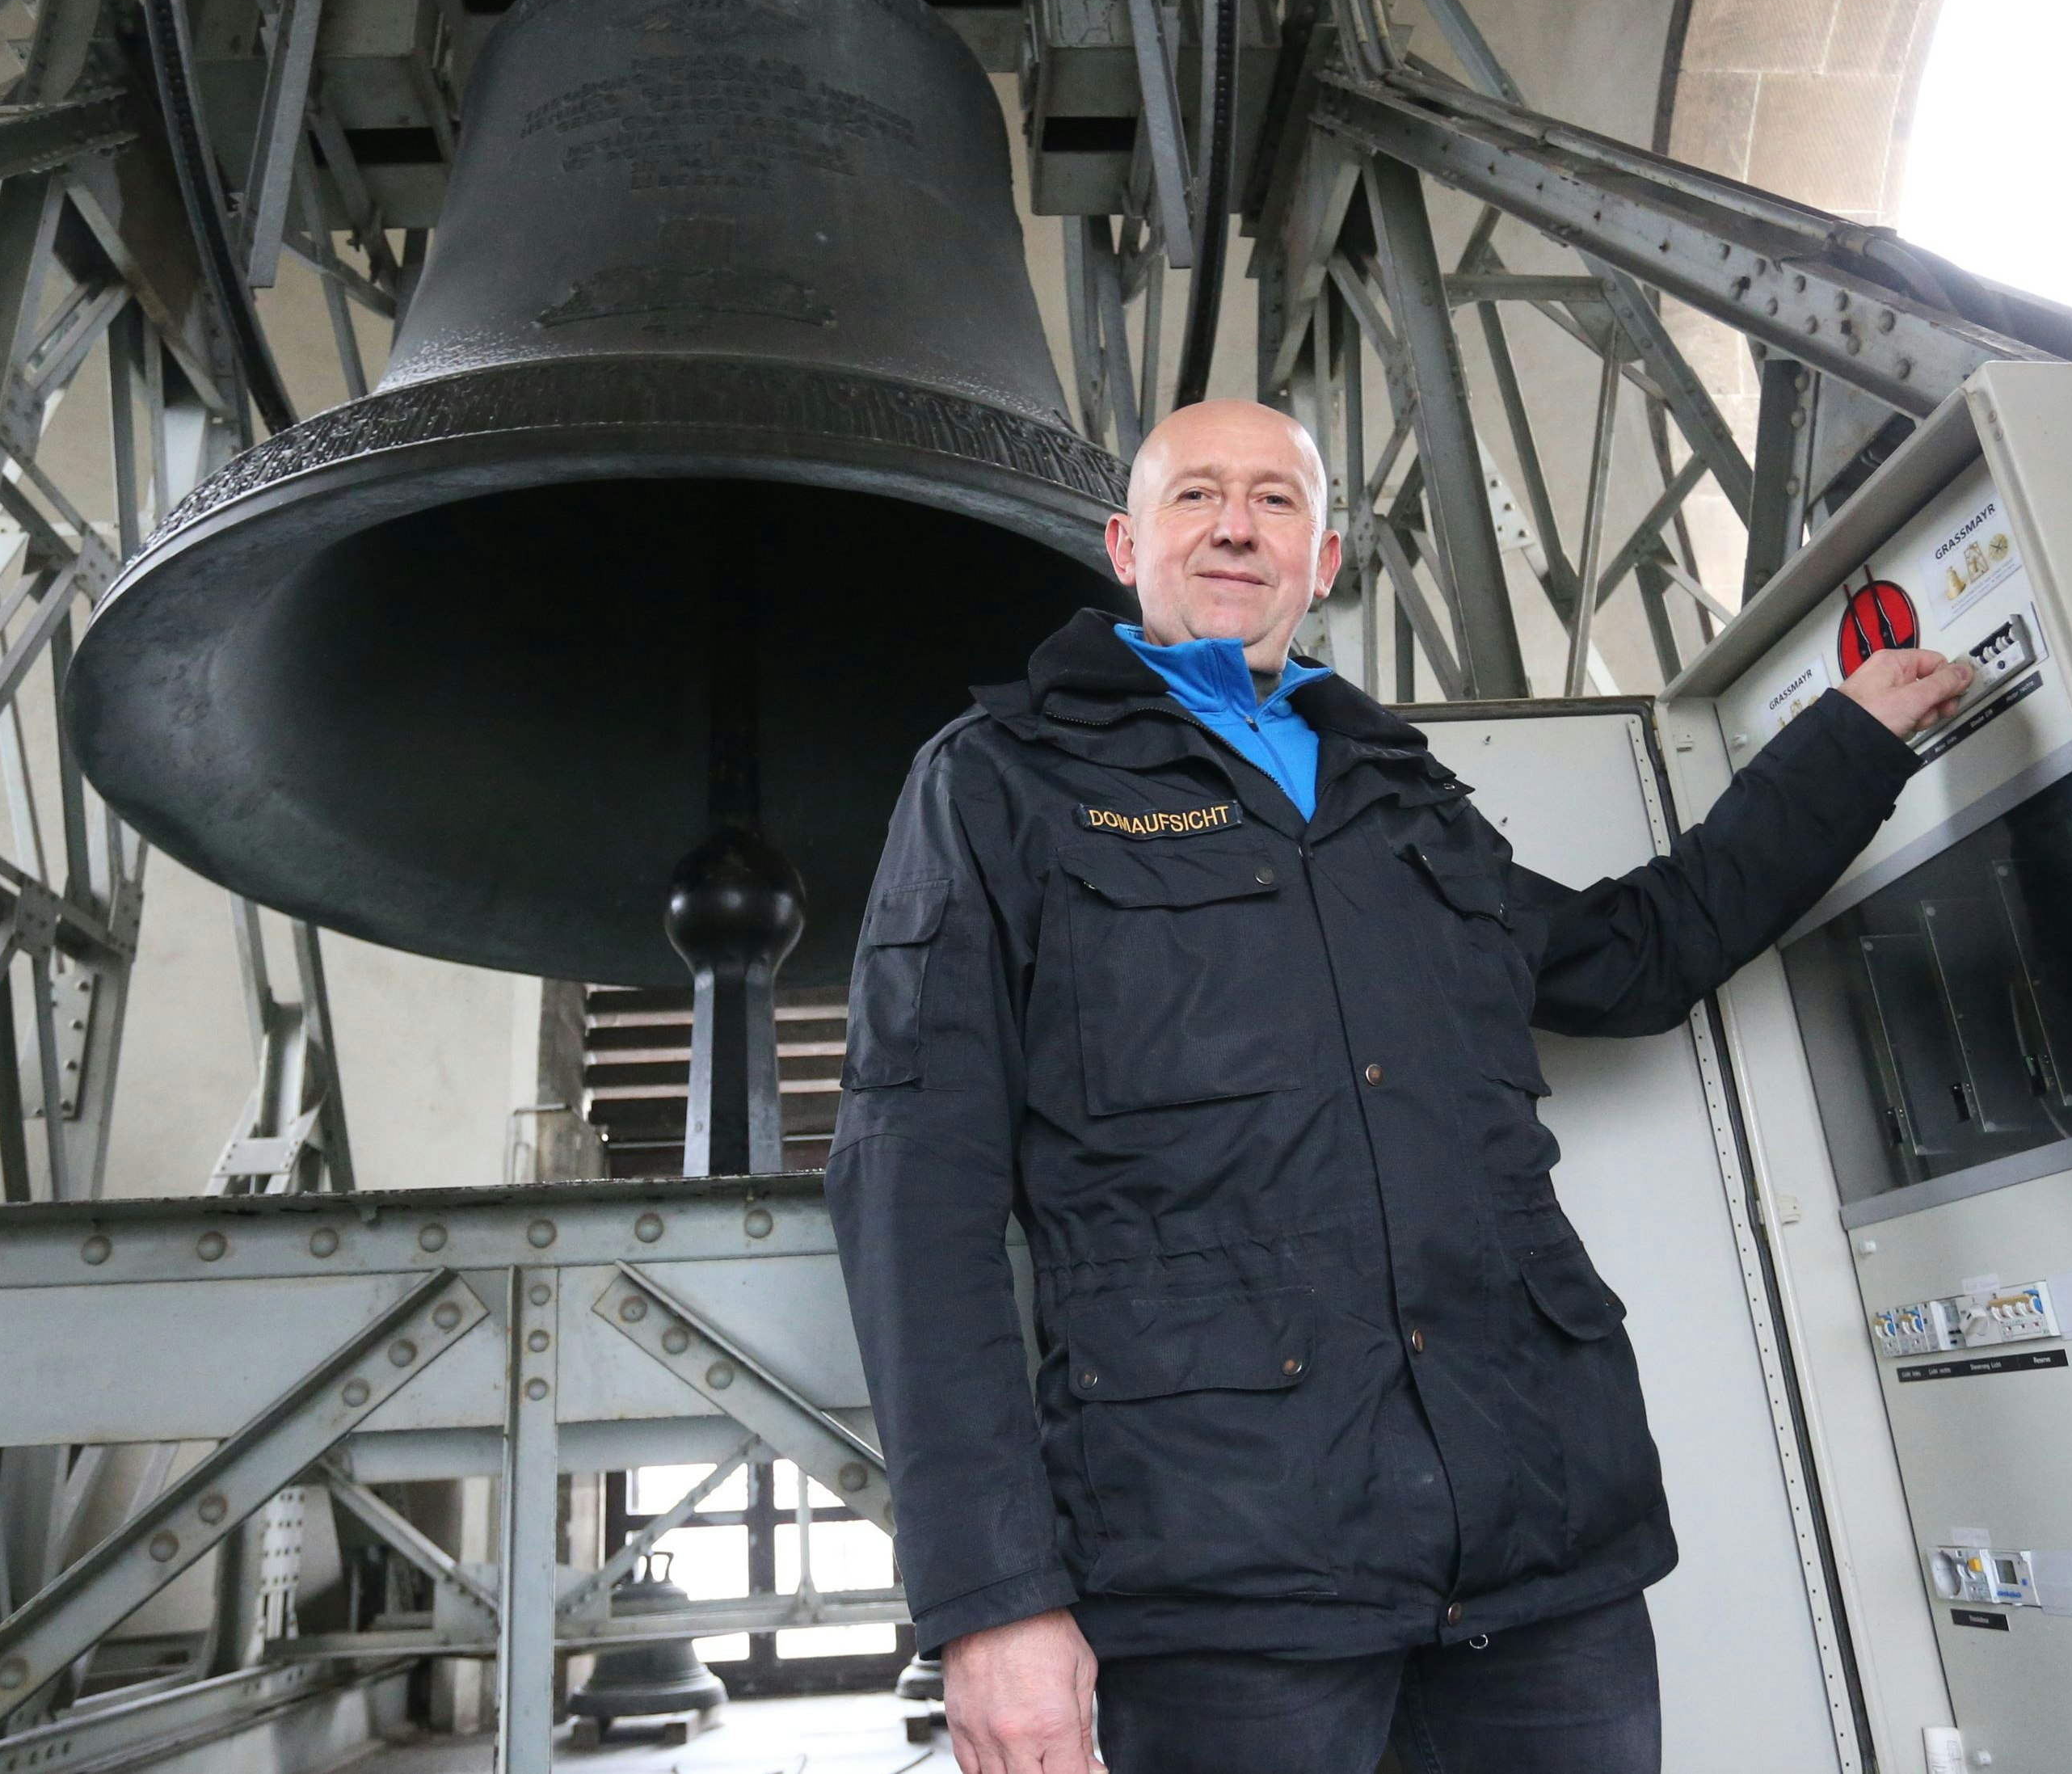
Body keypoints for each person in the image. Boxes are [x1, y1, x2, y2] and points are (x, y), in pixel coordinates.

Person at [826, 400, 1969, 1773]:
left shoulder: (1400, 798)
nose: (1236, 524)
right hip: (1224, 1583)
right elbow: (914, 1193)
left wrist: (1848, 739)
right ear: (1127, 546)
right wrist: (994, 1600)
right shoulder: (1001, 786)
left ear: (1326, 559)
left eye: (1275, 500)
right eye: (1196, 497)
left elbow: (1636, 956)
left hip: (1541, 1548)